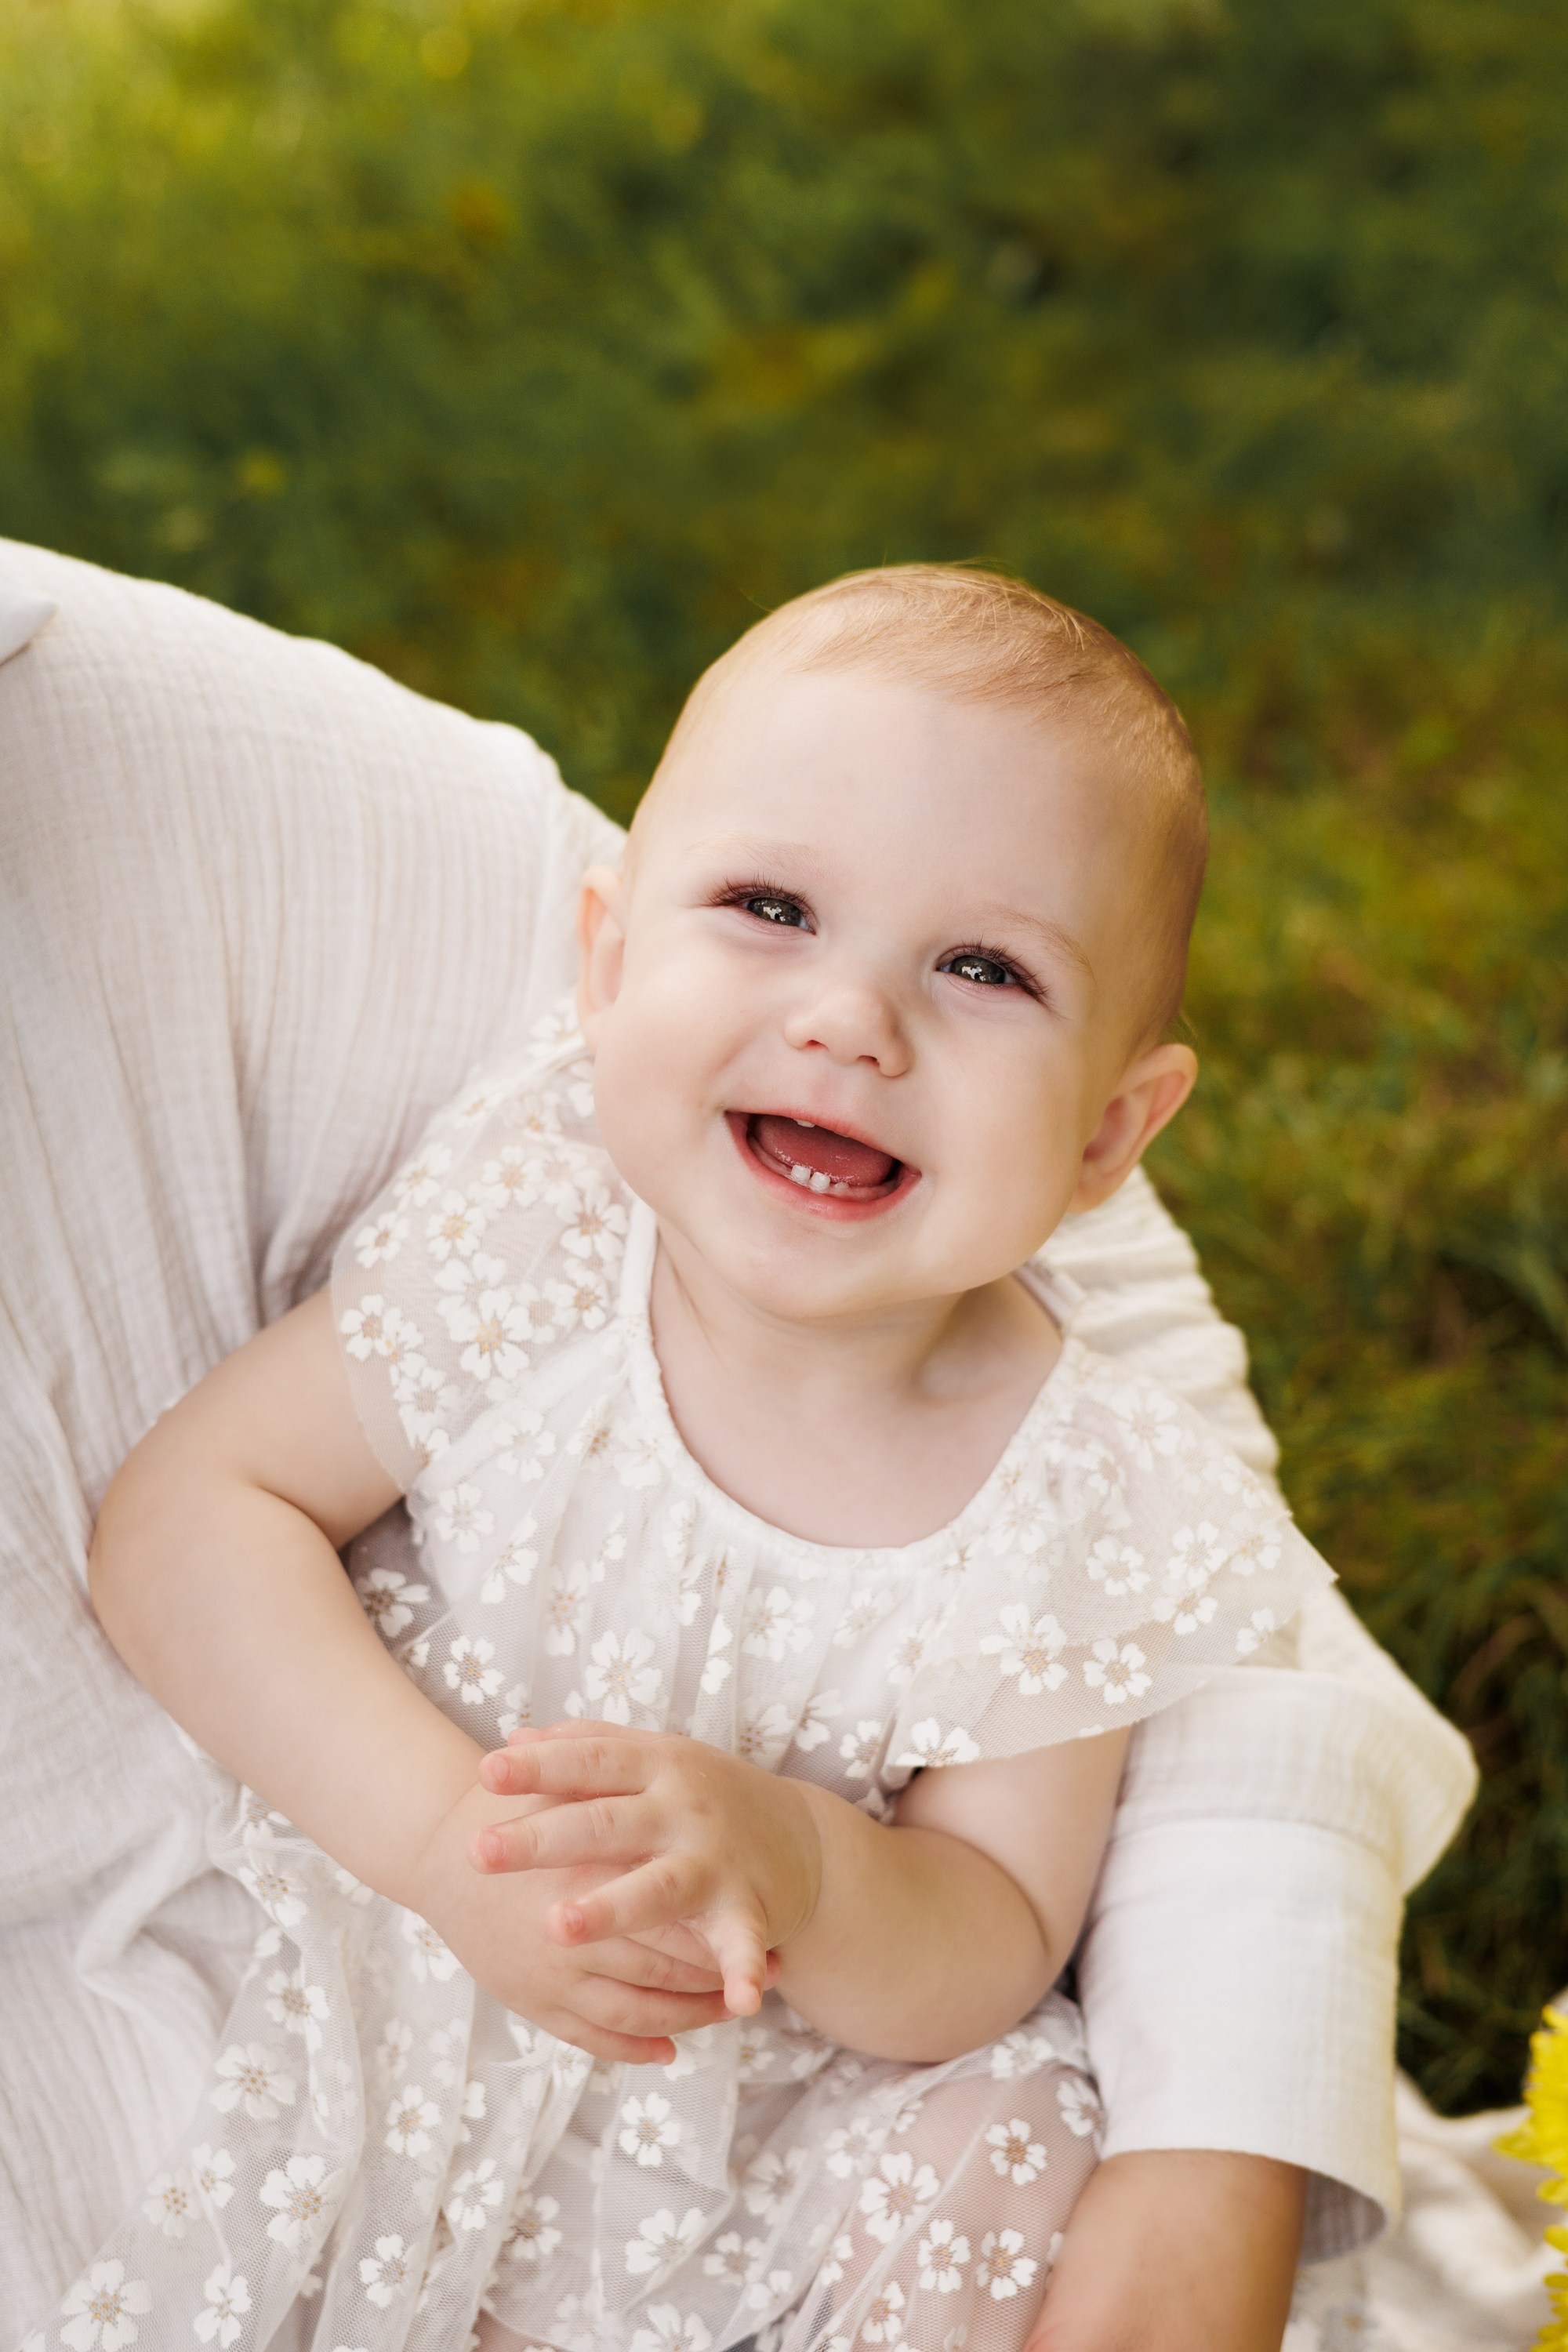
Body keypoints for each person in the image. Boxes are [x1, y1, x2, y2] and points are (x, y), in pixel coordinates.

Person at [76, 565, 1369, 2352]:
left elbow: (994, 1924)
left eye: (984, 967)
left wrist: (813, 1866)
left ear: (1109, 1134)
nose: (852, 1020)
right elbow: (190, 1520)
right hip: (423, 1961)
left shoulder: (1085, 1498)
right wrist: (448, 1847)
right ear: (607, 962)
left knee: (1010, 2140)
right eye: (771, 907)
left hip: (783, 2110)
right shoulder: (545, 1242)